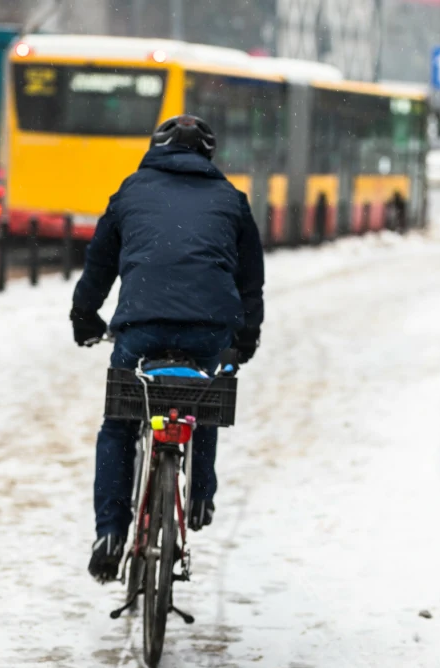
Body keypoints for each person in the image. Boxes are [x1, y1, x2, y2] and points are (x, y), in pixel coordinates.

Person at [70, 114, 265, 583]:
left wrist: (84, 317)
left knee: (119, 423)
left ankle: (110, 532)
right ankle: (199, 497)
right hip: (208, 328)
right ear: (208, 155)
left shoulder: (131, 191)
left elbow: (99, 264)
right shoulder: (231, 199)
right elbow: (250, 280)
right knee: (204, 397)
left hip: (142, 326)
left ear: (156, 148)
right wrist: (246, 336)